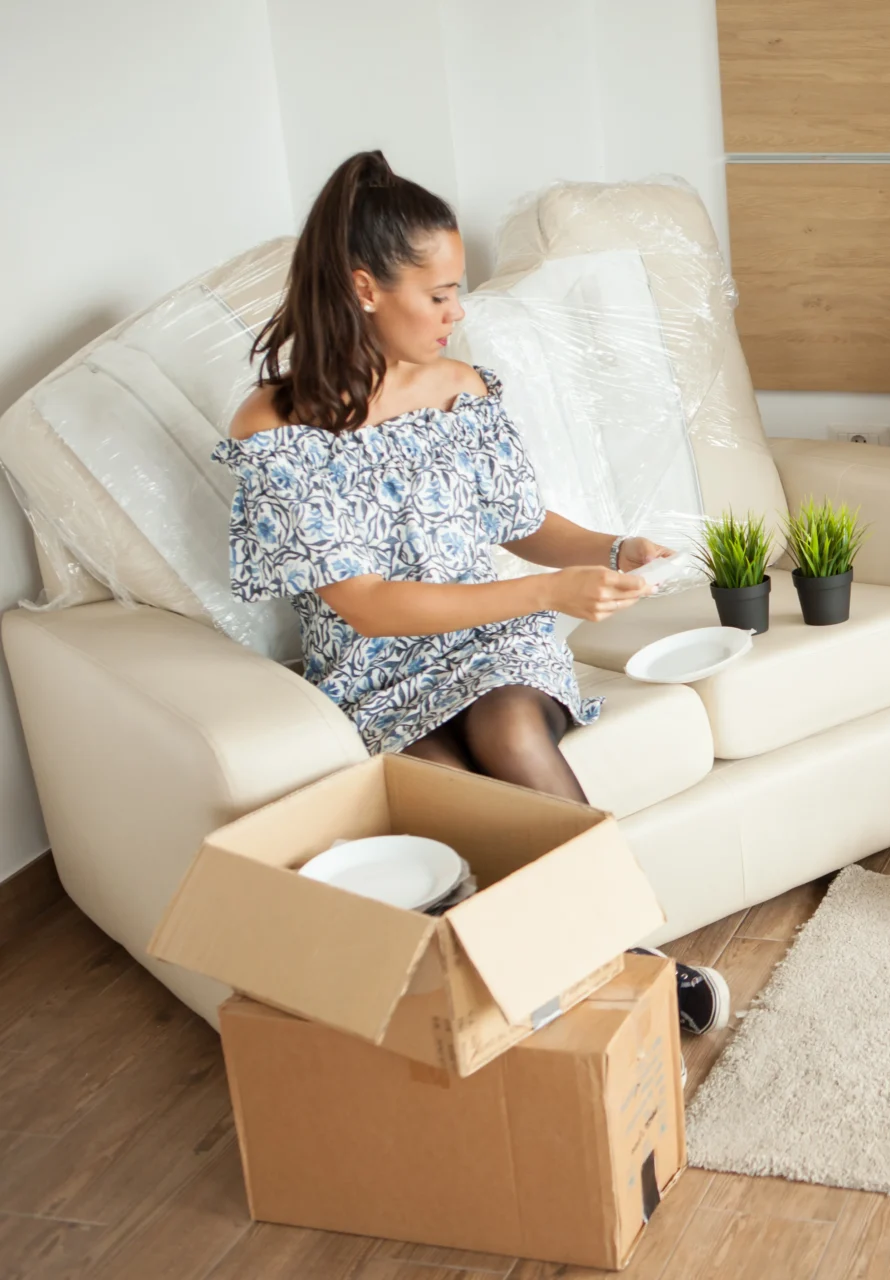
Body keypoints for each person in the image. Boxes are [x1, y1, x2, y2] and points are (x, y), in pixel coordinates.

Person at [215, 151, 727, 1035]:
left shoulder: (465, 391)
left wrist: (609, 548)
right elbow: (369, 606)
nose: (459, 314)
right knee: (449, 799)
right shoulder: (275, 425)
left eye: (460, 292)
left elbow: (522, 524)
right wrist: (546, 594)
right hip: (374, 670)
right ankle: (581, 994)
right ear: (365, 287)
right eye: (440, 294)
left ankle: (632, 959)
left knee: (506, 724)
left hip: (497, 646)